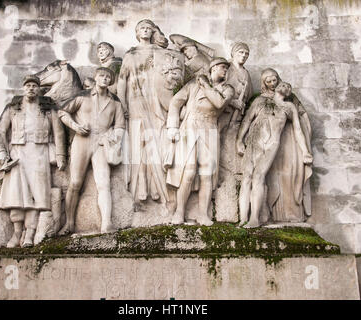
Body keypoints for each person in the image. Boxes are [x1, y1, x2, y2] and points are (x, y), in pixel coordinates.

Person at [0, 75, 66, 247]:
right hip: (17, 154)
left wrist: (61, 156)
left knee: (37, 195)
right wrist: (1, 154)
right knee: (16, 195)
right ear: (23, 88)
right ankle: (17, 232)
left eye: (34, 85)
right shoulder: (13, 108)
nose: (31, 88)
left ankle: (30, 234)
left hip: (40, 153)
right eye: (28, 85)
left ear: (39, 88)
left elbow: (59, 133)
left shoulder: (48, 109)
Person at [236, 76, 313, 228]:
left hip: (271, 144)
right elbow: (247, 120)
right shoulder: (260, 101)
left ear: (289, 92)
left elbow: (298, 130)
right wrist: (239, 140)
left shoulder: (289, 107)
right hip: (253, 141)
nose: (284, 87)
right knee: (246, 178)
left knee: (258, 176)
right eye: (282, 85)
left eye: (288, 87)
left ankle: (254, 219)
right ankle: (242, 218)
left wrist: (305, 151)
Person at [166, 57, 234, 226]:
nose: (225, 70)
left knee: (206, 174)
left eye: (226, 68)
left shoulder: (227, 89)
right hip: (190, 127)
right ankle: (179, 212)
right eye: (222, 67)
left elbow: (218, 103)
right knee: (187, 172)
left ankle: (203, 214)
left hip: (210, 129)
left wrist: (205, 85)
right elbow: (175, 102)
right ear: (213, 68)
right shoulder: (192, 85)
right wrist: (172, 127)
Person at [57, 67, 125, 235]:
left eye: (108, 77)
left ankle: (106, 223)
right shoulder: (82, 96)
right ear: (96, 78)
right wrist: (76, 127)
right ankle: (69, 223)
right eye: (102, 75)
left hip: (102, 143)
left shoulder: (115, 101)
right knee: (75, 183)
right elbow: (62, 112)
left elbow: (120, 126)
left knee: (104, 183)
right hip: (82, 141)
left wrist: (113, 138)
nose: (105, 79)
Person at [117, 19, 172, 204]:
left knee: (156, 143)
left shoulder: (160, 53)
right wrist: (122, 104)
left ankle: (157, 186)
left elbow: (170, 77)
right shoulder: (130, 54)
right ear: (137, 32)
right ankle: (141, 186)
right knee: (139, 144)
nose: (146, 30)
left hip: (156, 102)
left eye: (149, 28)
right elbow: (122, 80)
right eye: (142, 28)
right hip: (135, 101)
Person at [226, 42, 253, 126]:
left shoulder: (246, 73)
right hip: (224, 110)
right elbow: (216, 88)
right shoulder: (226, 68)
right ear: (234, 53)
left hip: (238, 114)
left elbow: (249, 95)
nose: (244, 55)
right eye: (241, 52)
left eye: (247, 53)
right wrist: (232, 102)